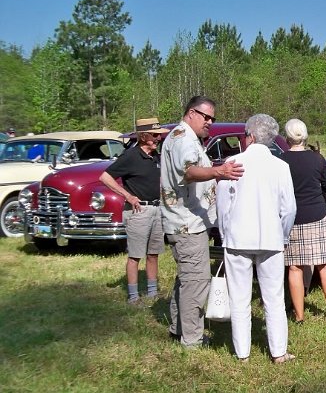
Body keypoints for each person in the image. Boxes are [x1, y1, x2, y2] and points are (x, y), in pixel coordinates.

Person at [160, 96, 244, 349]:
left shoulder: (183, 136)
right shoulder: (183, 138)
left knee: (186, 279)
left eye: (212, 118)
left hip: (187, 222)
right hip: (187, 224)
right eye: (205, 116)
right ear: (190, 113)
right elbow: (189, 171)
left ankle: (178, 329)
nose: (209, 122)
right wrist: (219, 172)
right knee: (196, 283)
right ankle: (192, 340)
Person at [217, 114, 297, 363]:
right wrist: (282, 235)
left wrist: (224, 234)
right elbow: (289, 209)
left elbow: (223, 207)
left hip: (238, 238)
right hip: (271, 238)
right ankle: (278, 352)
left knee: (239, 298)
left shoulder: (233, 162)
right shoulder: (280, 166)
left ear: (249, 136)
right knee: (273, 298)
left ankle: (243, 353)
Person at [99, 117, 170, 304]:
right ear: (144, 135)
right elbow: (105, 177)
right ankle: (133, 297)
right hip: (138, 212)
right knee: (135, 255)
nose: (158, 139)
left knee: (153, 253)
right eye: (155, 135)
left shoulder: (155, 156)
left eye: (159, 135)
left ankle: (152, 292)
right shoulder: (130, 156)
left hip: (156, 209)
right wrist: (128, 196)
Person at [280, 118, 326, 326]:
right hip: (316, 216)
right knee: (325, 265)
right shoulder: (317, 159)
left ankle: (299, 317)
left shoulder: (281, 161)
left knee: (295, 268)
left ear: (287, 137)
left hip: (292, 218)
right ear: (305, 137)